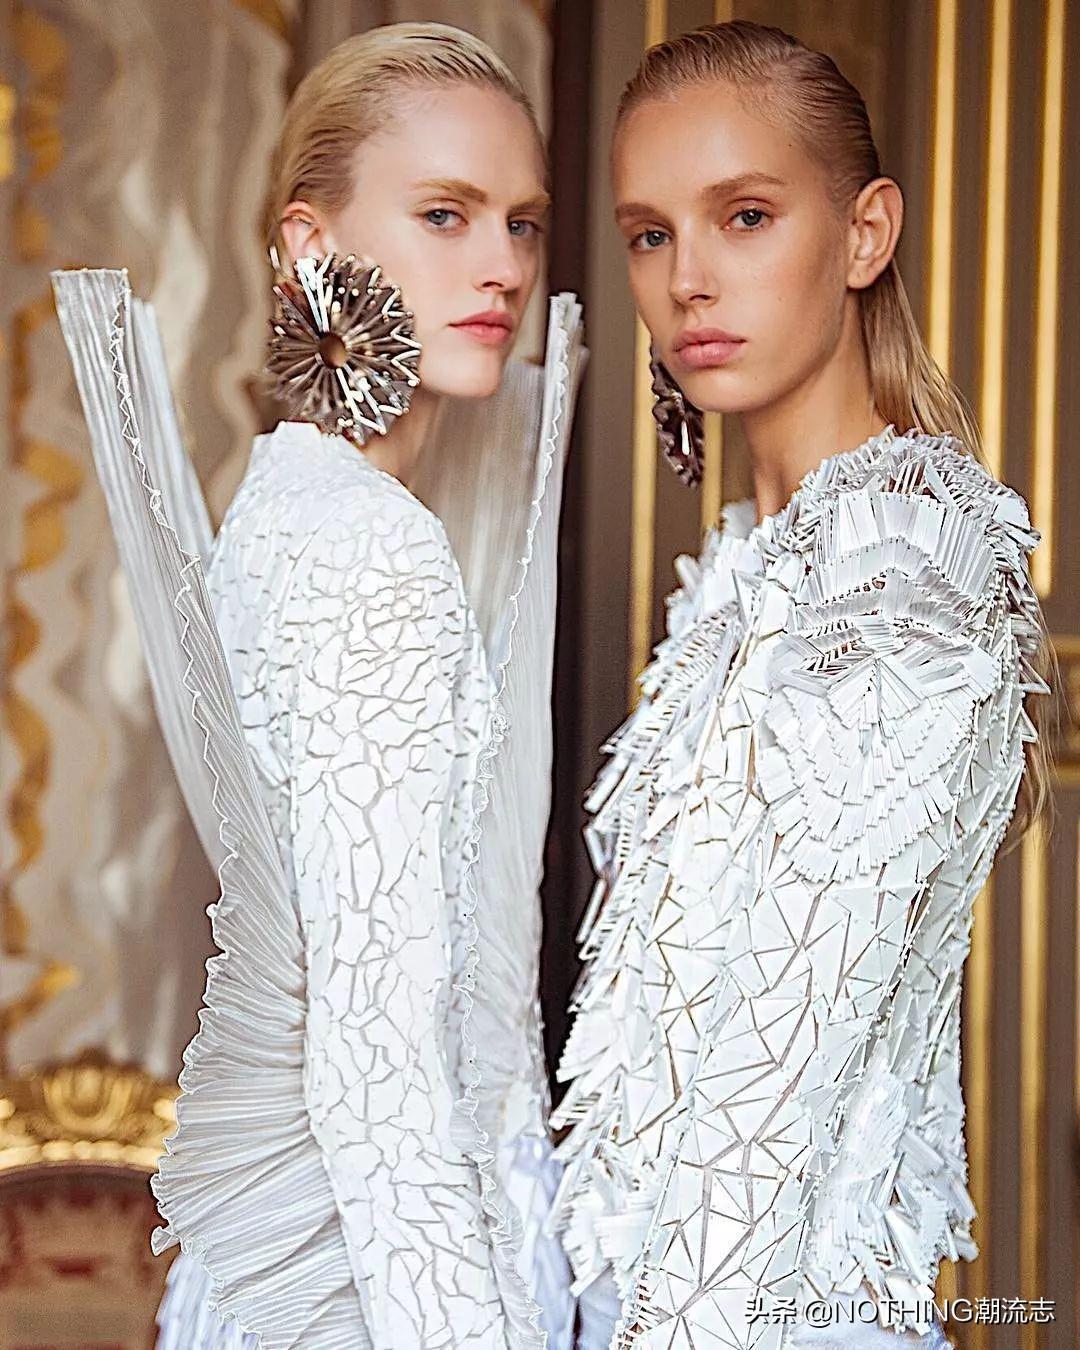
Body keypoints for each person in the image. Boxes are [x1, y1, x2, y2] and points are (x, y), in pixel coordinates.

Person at [53, 22, 584, 1350]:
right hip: (383, 1291)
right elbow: (376, 1064)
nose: (503, 265)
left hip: (302, 1269)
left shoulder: (283, 501)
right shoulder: (371, 548)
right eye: (445, 214)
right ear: (309, 244)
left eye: (522, 221)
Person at [550, 20, 1052, 1350]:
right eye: (649, 234)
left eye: (746, 216)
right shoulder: (755, 562)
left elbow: (765, 1114)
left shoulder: (905, 570)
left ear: (866, 232)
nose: (687, 280)